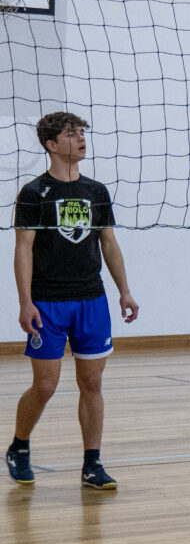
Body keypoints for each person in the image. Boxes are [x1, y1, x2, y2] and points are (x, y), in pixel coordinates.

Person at [9, 112, 138, 490]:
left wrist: (124, 291)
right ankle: (19, 446)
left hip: (91, 300)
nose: (81, 139)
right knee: (45, 386)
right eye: (71, 134)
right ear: (51, 144)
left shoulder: (96, 191)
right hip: (47, 303)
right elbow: (23, 248)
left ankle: (92, 464)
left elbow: (108, 243)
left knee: (92, 383)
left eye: (82, 132)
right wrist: (25, 302)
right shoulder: (34, 192)